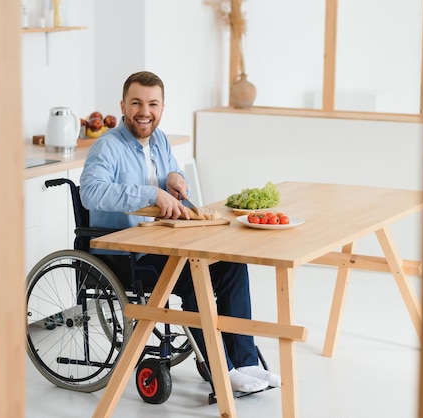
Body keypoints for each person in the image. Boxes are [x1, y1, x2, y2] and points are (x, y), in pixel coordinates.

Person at [79, 70, 280, 393]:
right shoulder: (107, 147)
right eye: (136, 103)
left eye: (152, 104)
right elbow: (91, 192)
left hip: (162, 241)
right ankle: (221, 369)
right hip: (125, 254)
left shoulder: (158, 139)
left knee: (231, 266)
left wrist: (174, 178)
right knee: (195, 275)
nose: (145, 111)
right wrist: (152, 195)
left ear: (161, 108)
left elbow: (171, 170)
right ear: (123, 106)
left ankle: (245, 361)